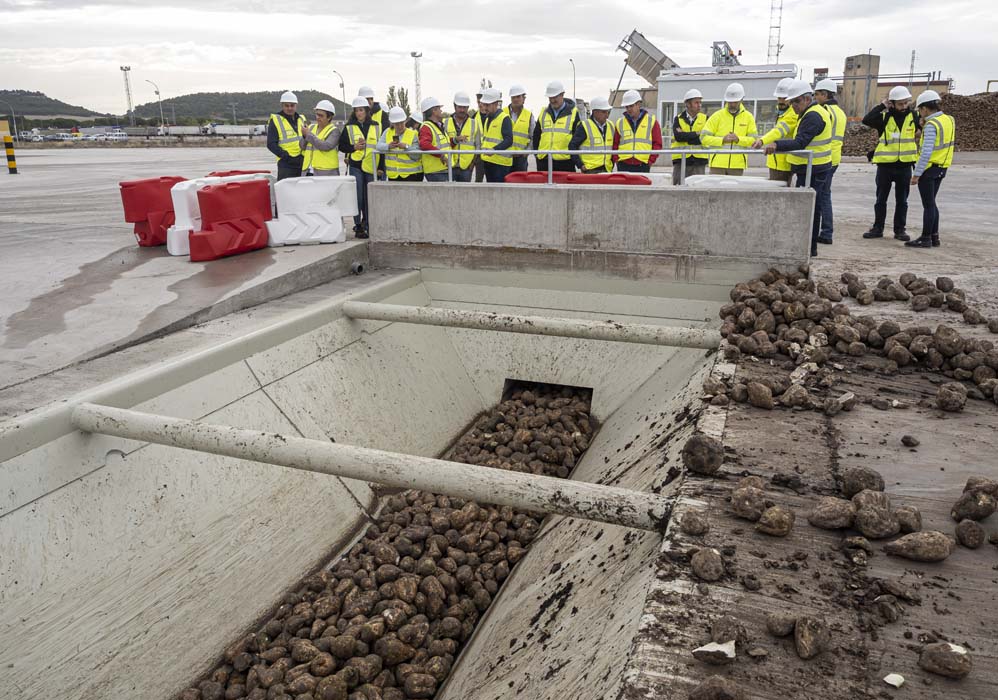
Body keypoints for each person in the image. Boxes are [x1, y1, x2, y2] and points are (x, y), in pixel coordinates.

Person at [762, 80, 834, 258]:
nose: (791, 107)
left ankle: (809, 249)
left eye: (794, 102)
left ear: (804, 99)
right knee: (810, 208)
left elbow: (800, 142)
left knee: (811, 209)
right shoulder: (811, 112)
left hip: (814, 170)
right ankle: (808, 248)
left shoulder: (813, 116)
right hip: (811, 168)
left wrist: (776, 144)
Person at [861, 85, 919, 242]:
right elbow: (866, 119)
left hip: (905, 166)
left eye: (906, 103)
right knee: (881, 199)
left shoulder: (914, 116)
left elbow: (924, 128)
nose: (904, 106)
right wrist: (882, 106)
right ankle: (877, 228)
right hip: (885, 166)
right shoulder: (884, 118)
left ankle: (900, 230)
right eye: (900, 104)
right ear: (892, 103)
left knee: (902, 201)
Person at [906, 90, 955, 248]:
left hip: (929, 169)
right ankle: (934, 236)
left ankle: (925, 238)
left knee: (928, 205)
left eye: (920, 110)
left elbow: (926, 152)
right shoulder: (949, 120)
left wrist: (916, 174)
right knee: (932, 203)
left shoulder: (931, 126)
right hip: (942, 166)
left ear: (925, 109)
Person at [337, 96, 383, 238]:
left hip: (371, 166)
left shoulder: (376, 126)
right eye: (356, 110)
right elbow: (342, 146)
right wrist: (353, 147)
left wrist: (380, 167)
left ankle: (369, 224)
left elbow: (381, 149)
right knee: (358, 197)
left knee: (369, 198)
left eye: (361, 110)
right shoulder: (349, 127)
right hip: (356, 165)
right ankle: (358, 226)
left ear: (367, 111)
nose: (359, 113)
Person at [814, 78, 847, 244]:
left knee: (823, 196)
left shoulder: (825, 110)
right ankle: (825, 231)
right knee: (825, 194)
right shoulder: (840, 112)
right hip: (835, 157)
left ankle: (826, 232)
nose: (815, 98)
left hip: (825, 157)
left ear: (825, 94)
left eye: (817, 94)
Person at [700, 83, 759, 176]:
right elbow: (703, 138)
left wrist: (738, 139)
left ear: (741, 100)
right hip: (717, 164)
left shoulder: (748, 117)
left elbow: (754, 140)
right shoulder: (717, 116)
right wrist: (722, 140)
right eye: (730, 102)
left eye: (735, 102)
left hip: (737, 165)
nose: (732, 104)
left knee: (734, 190)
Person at [753, 78, 797, 185]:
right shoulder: (782, 113)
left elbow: (779, 131)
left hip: (783, 163)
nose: (781, 101)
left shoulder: (792, 115)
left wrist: (762, 141)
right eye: (779, 98)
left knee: (780, 194)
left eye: (784, 98)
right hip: (776, 161)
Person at [533, 80, 580, 173]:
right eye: (550, 97)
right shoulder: (543, 112)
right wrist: (537, 155)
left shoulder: (574, 113)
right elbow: (536, 135)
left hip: (565, 161)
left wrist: (574, 158)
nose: (552, 100)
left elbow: (577, 139)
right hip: (544, 161)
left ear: (562, 94)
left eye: (555, 97)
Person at [612, 89, 662, 173]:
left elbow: (657, 144)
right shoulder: (620, 123)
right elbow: (615, 144)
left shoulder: (652, 122)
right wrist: (617, 160)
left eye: (631, 106)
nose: (628, 109)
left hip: (643, 164)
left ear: (638, 104)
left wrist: (650, 161)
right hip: (623, 164)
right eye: (626, 107)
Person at [267, 91, 308, 180]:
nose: (289, 108)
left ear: (296, 105)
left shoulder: (302, 119)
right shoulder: (276, 120)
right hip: (286, 164)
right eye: (286, 105)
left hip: (302, 161)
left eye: (292, 105)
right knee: (286, 191)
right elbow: (271, 144)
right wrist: (286, 156)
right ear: (282, 105)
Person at [671, 88, 709, 185]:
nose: (699, 105)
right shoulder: (678, 119)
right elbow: (679, 137)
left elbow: (704, 138)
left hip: (699, 161)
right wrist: (696, 133)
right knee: (677, 189)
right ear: (688, 104)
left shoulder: (705, 119)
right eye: (696, 102)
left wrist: (686, 136)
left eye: (700, 102)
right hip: (680, 161)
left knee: (698, 190)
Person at [376, 107, 423, 182]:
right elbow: (378, 146)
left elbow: (417, 155)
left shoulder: (413, 133)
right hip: (393, 175)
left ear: (405, 121)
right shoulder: (387, 132)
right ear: (392, 123)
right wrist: (388, 146)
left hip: (412, 175)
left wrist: (406, 147)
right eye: (397, 124)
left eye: (402, 123)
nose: (400, 126)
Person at [569, 96, 614, 174]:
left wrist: (612, 163)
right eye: (604, 112)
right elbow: (572, 146)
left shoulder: (611, 125)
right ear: (595, 112)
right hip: (590, 170)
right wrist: (580, 165)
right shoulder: (585, 126)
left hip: (607, 169)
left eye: (608, 112)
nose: (607, 115)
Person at [478, 88, 514, 182]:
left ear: (495, 104)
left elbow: (509, 140)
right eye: (484, 105)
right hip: (489, 161)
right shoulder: (487, 118)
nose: (485, 108)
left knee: (499, 193)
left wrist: (494, 150)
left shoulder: (504, 118)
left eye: (487, 105)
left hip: (500, 164)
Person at [300, 99, 341, 177]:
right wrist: (304, 135)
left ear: (329, 117)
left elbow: (326, 146)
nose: (318, 117)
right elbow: (302, 146)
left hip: (326, 172)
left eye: (321, 115)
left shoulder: (334, 131)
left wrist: (308, 135)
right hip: (308, 171)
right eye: (317, 114)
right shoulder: (311, 127)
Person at [445, 92, 478, 183]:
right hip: (449, 166)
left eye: (465, 107)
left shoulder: (474, 123)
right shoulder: (445, 122)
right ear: (454, 106)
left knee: (465, 194)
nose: (462, 110)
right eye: (460, 107)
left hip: (466, 168)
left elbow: (478, 146)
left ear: (468, 108)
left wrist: (472, 164)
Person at [417, 96, 451, 183]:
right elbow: (424, 144)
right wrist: (442, 155)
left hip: (442, 169)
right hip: (436, 171)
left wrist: (455, 140)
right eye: (439, 108)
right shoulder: (426, 127)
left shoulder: (438, 126)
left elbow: (443, 144)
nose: (441, 111)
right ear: (434, 111)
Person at [504, 84, 535, 172]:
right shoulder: (502, 113)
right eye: (513, 97)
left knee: (519, 184)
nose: (516, 99)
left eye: (518, 97)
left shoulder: (529, 115)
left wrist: (527, 152)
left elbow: (533, 137)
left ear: (524, 99)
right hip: (504, 157)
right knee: (504, 184)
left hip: (521, 159)